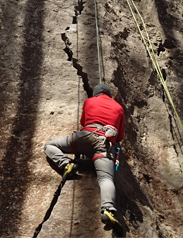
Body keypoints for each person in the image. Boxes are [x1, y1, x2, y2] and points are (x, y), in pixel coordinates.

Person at [44, 82, 126, 226]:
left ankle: (66, 164)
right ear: (109, 95)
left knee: (50, 145)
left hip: (86, 135)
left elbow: (83, 122)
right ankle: (108, 210)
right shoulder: (118, 108)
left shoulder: (89, 102)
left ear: (95, 94)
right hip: (104, 144)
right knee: (106, 179)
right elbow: (119, 137)